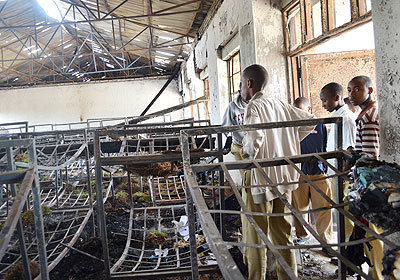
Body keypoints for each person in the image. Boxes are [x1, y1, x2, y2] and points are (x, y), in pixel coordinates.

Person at [240, 64, 314, 280]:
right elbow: (309, 122)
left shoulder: (254, 107)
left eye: (241, 86)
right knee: (283, 235)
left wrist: (244, 153)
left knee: (256, 238)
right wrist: (288, 144)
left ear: (249, 84)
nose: (241, 91)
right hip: (286, 177)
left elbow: (253, 141)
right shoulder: (280, 104)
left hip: (262, 179)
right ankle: (289, 277)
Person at [347, 75, 384, 280]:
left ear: (370, 90)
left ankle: (378, 274)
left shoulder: (368, 118)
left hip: (371, 182)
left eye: (357, 89)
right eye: (350, 89)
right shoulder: (369, 112)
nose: (352, 94)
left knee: (372, 233)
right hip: (375, 179)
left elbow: (370, 158)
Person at [291, 97, 333, 248]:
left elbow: (324, 146)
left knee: (323, 208)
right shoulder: (292, 126)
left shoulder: (320, 124)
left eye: (300, 111)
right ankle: (302, 235)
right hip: (299, 171)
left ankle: (326, 242)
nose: (298, 115)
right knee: (299, 207)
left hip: (318, 171)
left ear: (309, 110)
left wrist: (324, 166)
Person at [320, 82, 357, 175]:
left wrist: (343, 175)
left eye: (324, 100)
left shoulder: (346, 119)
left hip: (341, 173)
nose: (323, 105)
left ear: (337, 98)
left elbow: (351, 150)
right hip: (334, 170)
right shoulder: (337, 117)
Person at [221, 92, 248, 163]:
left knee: (256, 171)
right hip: (239, 145)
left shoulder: (256, 105)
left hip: (253, 145)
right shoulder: (232, 106)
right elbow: (225, 128)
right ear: (240, 91)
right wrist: (218, 147)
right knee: (247, 172)